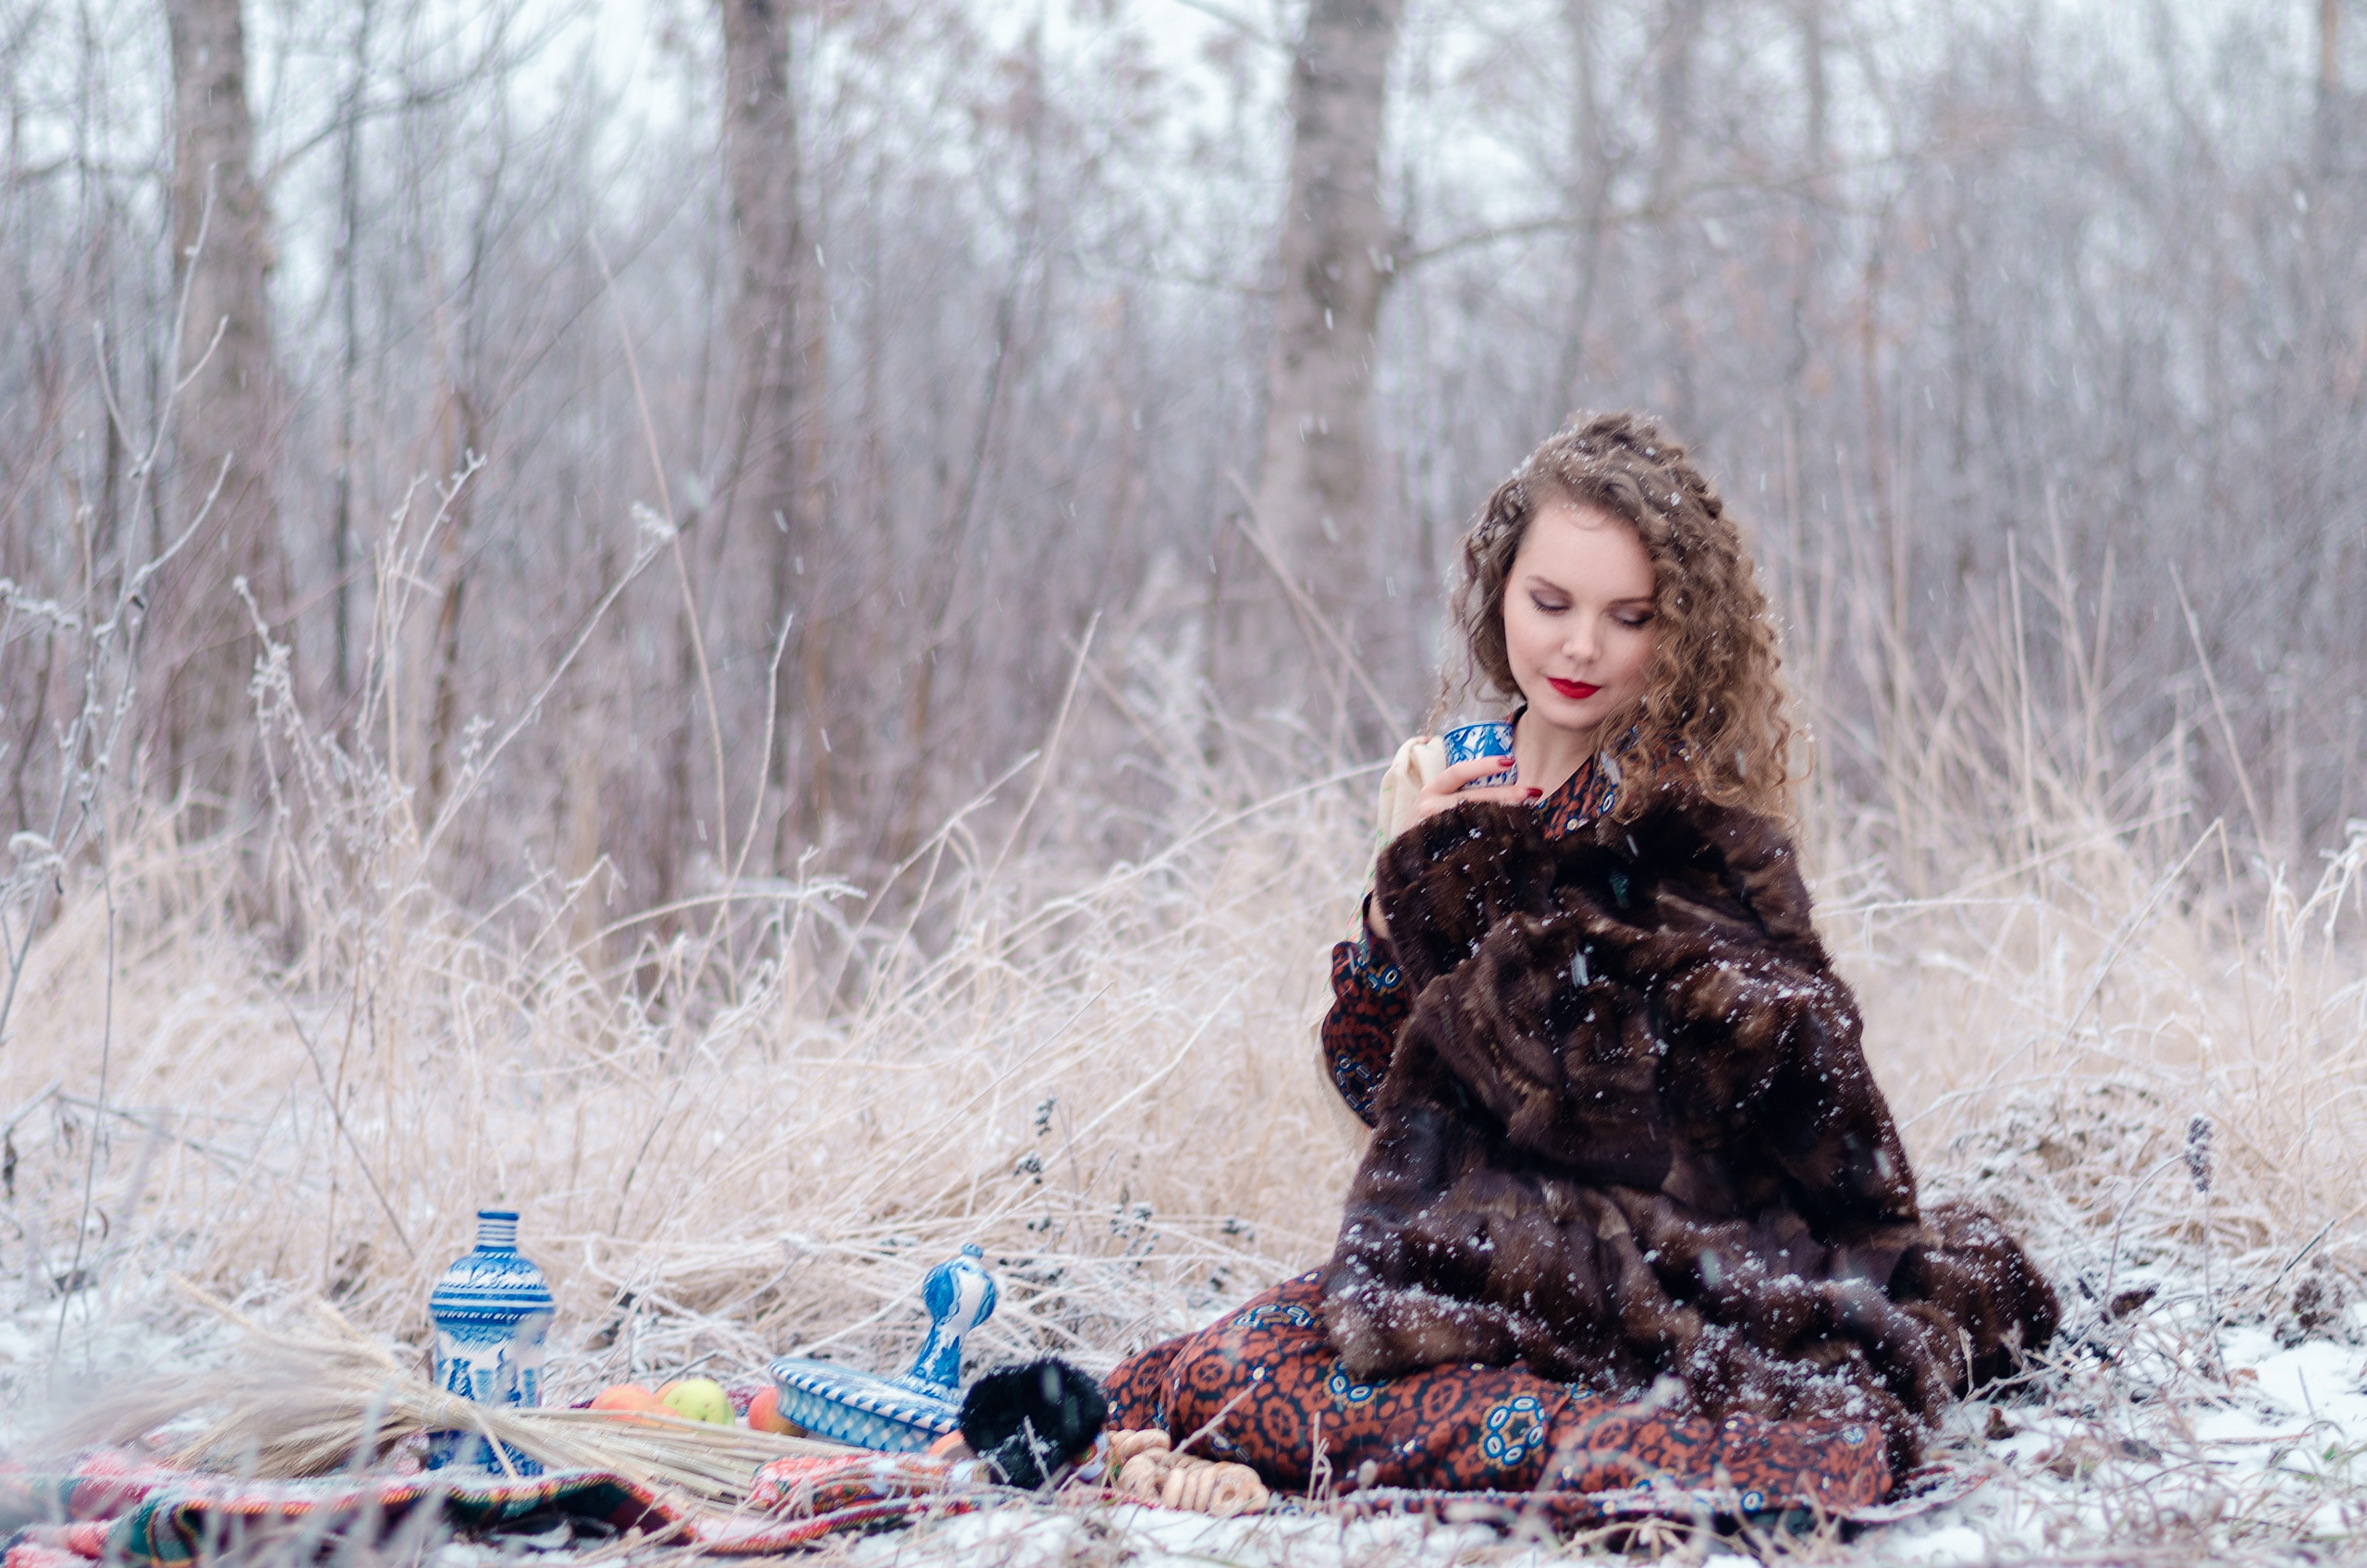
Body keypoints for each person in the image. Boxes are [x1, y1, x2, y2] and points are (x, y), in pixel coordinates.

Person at [1102, 411, 2057, 1515]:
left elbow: (1674, 1110)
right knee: (1217, 1373)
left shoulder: (1691, 821)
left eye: (1628, 617)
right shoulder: (1442, 777)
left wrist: (1492, 902)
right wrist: (1398, 893)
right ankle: (1535, 1436)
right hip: (1472, 1258)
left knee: (1798, 1440)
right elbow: (1378, 1096)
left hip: (1659, 1270)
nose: (1579, 649)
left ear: (1677, 633)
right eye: (1550, 604)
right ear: (1499, 591)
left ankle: (1643, 1451)